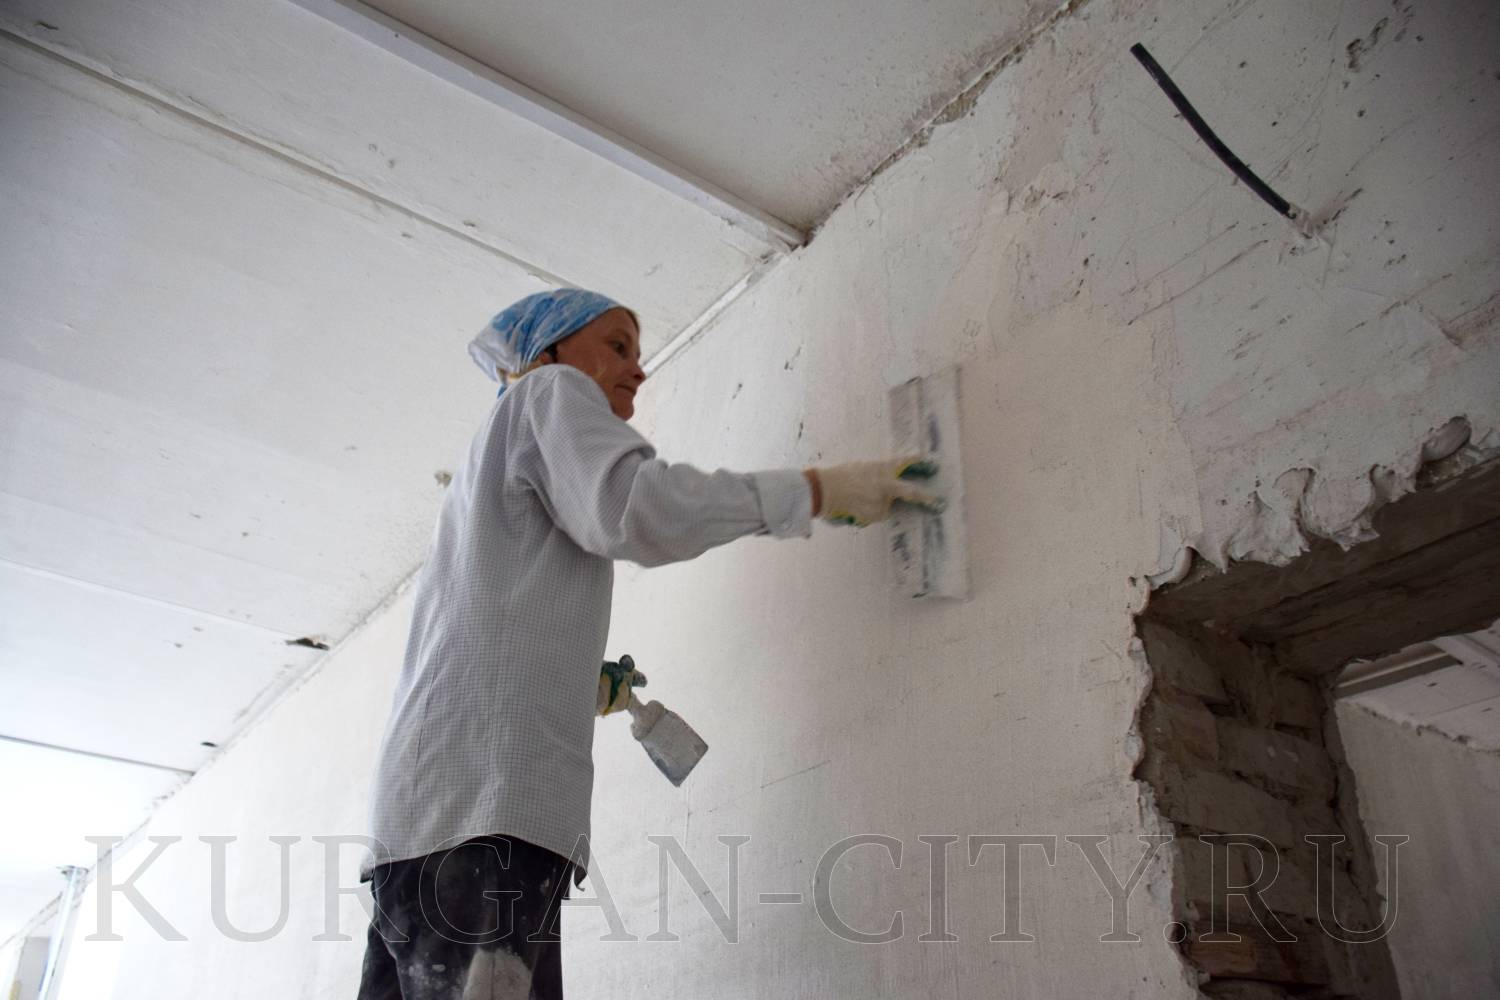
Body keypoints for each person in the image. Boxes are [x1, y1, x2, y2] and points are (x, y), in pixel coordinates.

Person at [355, 288, 937, 999]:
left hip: (416, 832)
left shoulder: (484, 474)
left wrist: (574, 678)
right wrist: (814, 490)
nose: (638, 368)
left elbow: (483, 628)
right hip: (485, 819)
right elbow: (640, 508)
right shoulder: (550, 389)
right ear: (549, 352)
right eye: (617, 346)